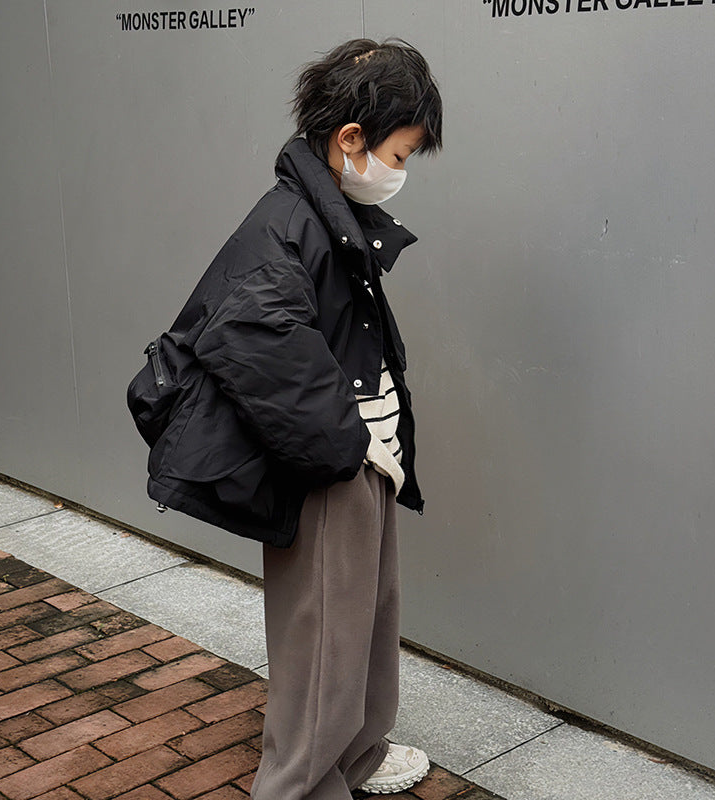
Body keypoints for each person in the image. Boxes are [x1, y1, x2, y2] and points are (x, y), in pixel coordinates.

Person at [140, 37, 442, 799]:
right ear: (350, 140)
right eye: (399, 155)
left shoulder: (323, 210)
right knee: (324, 640)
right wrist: (347, 445)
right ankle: (301, 786)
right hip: (331, 464)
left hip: (359, 455)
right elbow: (252, 337)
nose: (399, 174)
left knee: (366, 621)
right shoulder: (288, 220)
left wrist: (372, 443)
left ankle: (359, 752)